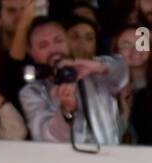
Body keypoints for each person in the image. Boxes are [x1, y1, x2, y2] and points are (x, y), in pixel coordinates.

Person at [18, 16, 130, 144]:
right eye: (43, 45)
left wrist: (99, 66)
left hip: (111, 158)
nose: (54, 49)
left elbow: (123, 72)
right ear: (33, 53)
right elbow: (45, 136)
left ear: (68, 42)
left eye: (58, 40)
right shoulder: (32, 92)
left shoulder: (95, 73)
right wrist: (66, 111)